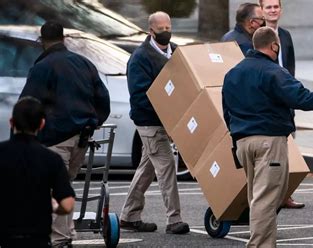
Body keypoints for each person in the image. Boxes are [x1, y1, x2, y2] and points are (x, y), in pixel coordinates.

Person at [222, 27, 313, 248]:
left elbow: (226, 110)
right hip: (269, 142)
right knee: (267, 198)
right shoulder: (274, 72)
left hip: (242, 142)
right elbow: (302, 98)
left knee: (258, 196)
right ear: (274, 46)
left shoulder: (232, 73)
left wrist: (237, 136)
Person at [19, 21, 111, 247]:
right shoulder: (84, 64)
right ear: (64, 38)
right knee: (65, 185)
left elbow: (28, 104)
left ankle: (60, 239)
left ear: (41, 41)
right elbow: (103, 101)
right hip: (81, 137)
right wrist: (92, 123)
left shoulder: (42, 68)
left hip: (53, 138)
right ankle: (67, 233)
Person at [119, 11, 189, 234]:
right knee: (167, 166)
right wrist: (167, 118)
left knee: (147, 170)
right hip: (150, 122)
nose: (166, 32)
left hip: (167, 121)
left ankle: (129, 216)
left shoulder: (175, 51)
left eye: (169, 28)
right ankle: (174, 219)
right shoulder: (140, 58)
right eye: (162, 29)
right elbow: (140, 97)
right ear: (151, 31)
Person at [0, 97, 75, 248]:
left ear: (11, 122)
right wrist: (53, 206)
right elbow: (67, 204)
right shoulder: (52, 159)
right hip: (37, 239)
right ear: (41, 124)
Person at [259, 0, 303, 209]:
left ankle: (286, 194)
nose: (273, 10)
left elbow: (290, 66)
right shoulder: (257, 37)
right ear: (261, 11)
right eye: (268, 7)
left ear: (281, 10)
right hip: (267, 102)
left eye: (276, 7)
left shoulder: (285, 35)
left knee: (288, 151)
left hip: (286, 100)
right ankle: (269, 196)